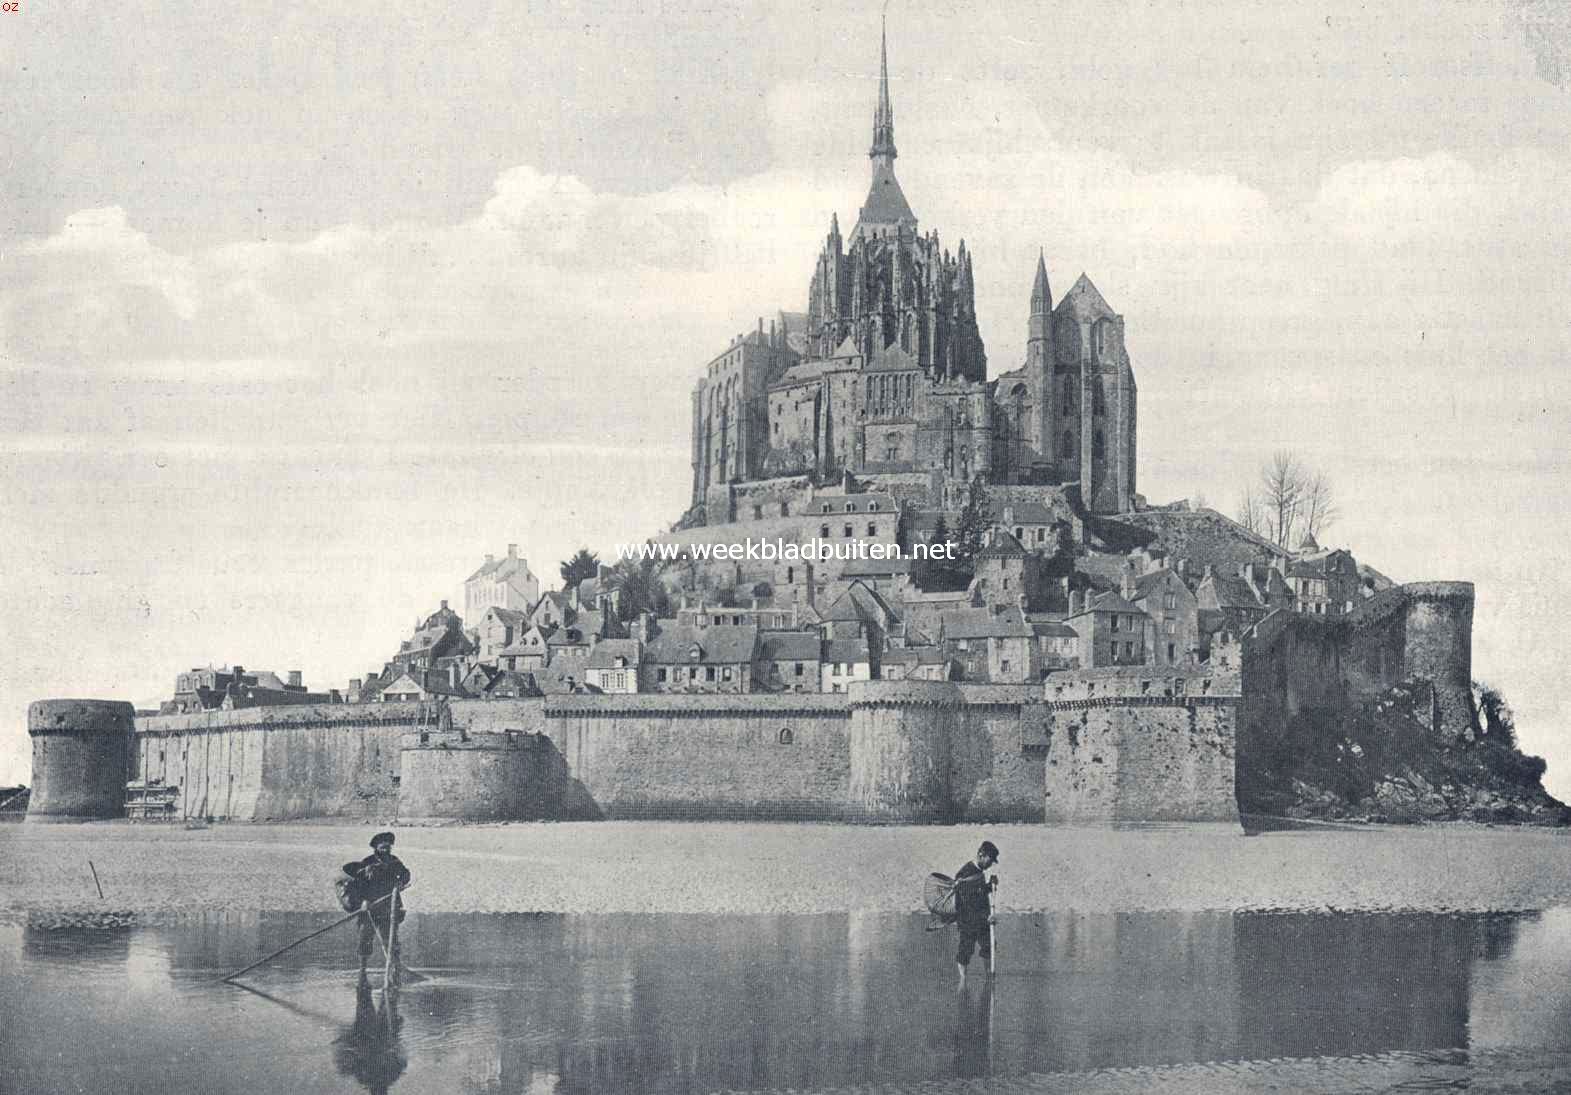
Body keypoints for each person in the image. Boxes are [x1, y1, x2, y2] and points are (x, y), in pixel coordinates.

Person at [342, 831, 412, 976]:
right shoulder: (367, 863)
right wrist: (363, 902)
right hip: (369, 908)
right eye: (383, 846)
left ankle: (395, 966)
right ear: (376, 847)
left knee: (391, 939)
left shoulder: (394, 861)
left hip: (388, 907)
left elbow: (406, 874)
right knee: (365, 938)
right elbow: (358, 885)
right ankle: (362, 969)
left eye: (388, 847)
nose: (386, 849)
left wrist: (400, 882)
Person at [953, 840, 998, 985]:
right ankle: (963, 982)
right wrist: (987, 917)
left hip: (982, 919)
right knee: (966, 949)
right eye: (989, 861)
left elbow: (978, 892)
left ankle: (988, 977)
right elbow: (969, 902)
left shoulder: (978, 872)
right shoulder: (966, 871)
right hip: (968, 919)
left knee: (989, 945)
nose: (990, 864)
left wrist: (989, 886)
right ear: (981, 855)